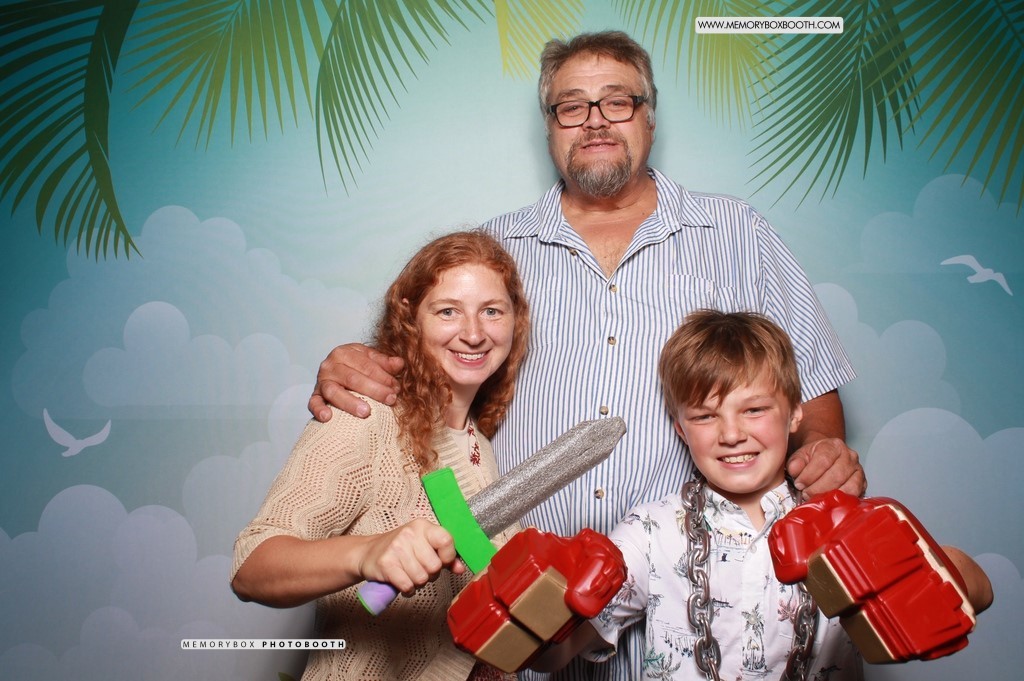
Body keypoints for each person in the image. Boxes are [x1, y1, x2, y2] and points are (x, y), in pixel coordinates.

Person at [308, 31, 862, 680]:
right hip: (518, 614)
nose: (595, 120)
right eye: (572, 106)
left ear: (649, 116)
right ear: (549, 126)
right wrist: (354, 365)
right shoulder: (492, 252)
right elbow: (421, 388)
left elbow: (815, 402)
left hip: (689, 621)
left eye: (617, 101)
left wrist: (825, 457)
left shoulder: (738, 234)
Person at [529, 310, 992, 679]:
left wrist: (928, 577)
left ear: (795, 414)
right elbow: (555, 655)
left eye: (753, 410)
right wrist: (535, 615)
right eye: (705, 416)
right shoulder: (648, 533)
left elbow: (980, 590)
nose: (732, 434)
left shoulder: (843, 521)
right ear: (680, 429)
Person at [231, 231, 530, 680]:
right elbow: (251, 568)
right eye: (448, 311)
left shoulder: (481, 446)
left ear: (514, 321)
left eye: (492, 311)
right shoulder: (366, 416)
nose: (473, 333)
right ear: (409, 318)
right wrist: (365, 553)